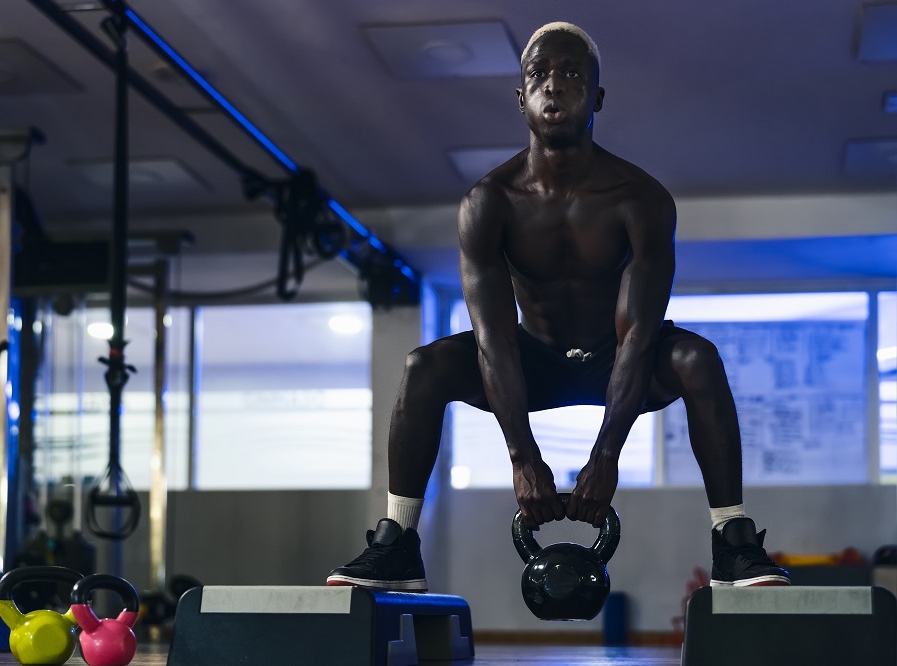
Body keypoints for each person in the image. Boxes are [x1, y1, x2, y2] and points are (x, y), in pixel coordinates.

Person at [326, 21, 789, 592]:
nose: (554, 85)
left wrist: (604, 457)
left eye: (571, 74)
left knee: (698, 359)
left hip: (620, 359)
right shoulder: (488, 202)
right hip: (532, 359)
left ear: (596, 97)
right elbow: (493, 337)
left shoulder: (639, 199)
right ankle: (397, 543)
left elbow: (639, 336)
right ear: (521, 98)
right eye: (539, 75)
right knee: (425, 367)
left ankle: (731, 541)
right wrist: (523, 457)